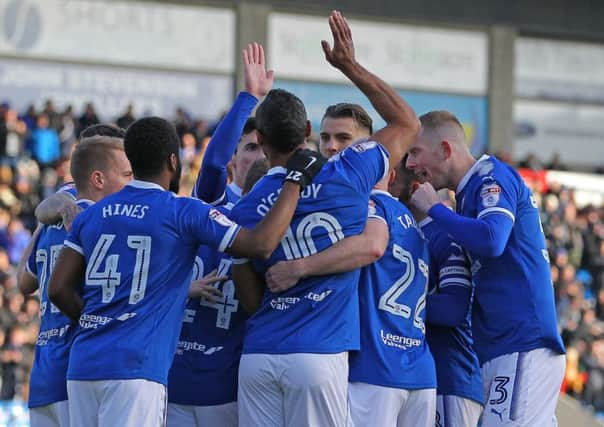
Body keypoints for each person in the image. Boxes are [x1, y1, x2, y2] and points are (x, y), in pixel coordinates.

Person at [46, 114, 324, 427]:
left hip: (83, 365)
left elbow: (58, 289)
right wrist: (294, 182)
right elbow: (260, 244)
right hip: (136, 369)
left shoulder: (93, 214)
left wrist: (99, 324)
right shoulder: (182, 211)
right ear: (173, 162)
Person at [228, 10, 419, 426]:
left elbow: (245, 285)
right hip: (319, 352)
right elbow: (408, 122)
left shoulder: (247, 202)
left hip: (258, 354)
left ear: (259, 142)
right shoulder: (349, 170)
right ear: (310, 130)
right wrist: (350, 66)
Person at [407, 110, 565, 426]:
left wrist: (435, 209)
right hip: (501, 346)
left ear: (445, 149)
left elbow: (493, 239)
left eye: (415, 152)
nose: (411, 164)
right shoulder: (468, 193)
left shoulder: (491, 176)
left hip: (522, 342)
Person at [166, 42, 272, 427]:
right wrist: (249, 99)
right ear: (234, 158)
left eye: (265, 148)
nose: (257, 155)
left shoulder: (282, 217)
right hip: (176, 379)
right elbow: (211, 163)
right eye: (249, 148)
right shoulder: (212, 202)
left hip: (230, 386)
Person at [16, 124, 132, 427]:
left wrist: (41, 224)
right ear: (101, 173)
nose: (130, 180)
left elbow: (23, 282)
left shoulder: (57, 213)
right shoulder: (101, 220)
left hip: (43, 375)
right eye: (126, 172)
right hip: (80, 371)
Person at [392, 161, 483, 427]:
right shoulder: (409, 231)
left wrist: (395, 302)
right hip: (423, 377)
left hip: (452, 377)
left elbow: (454, 309)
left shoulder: (444, 235)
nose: (387, 183)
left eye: (393, 177)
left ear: (416, 186)